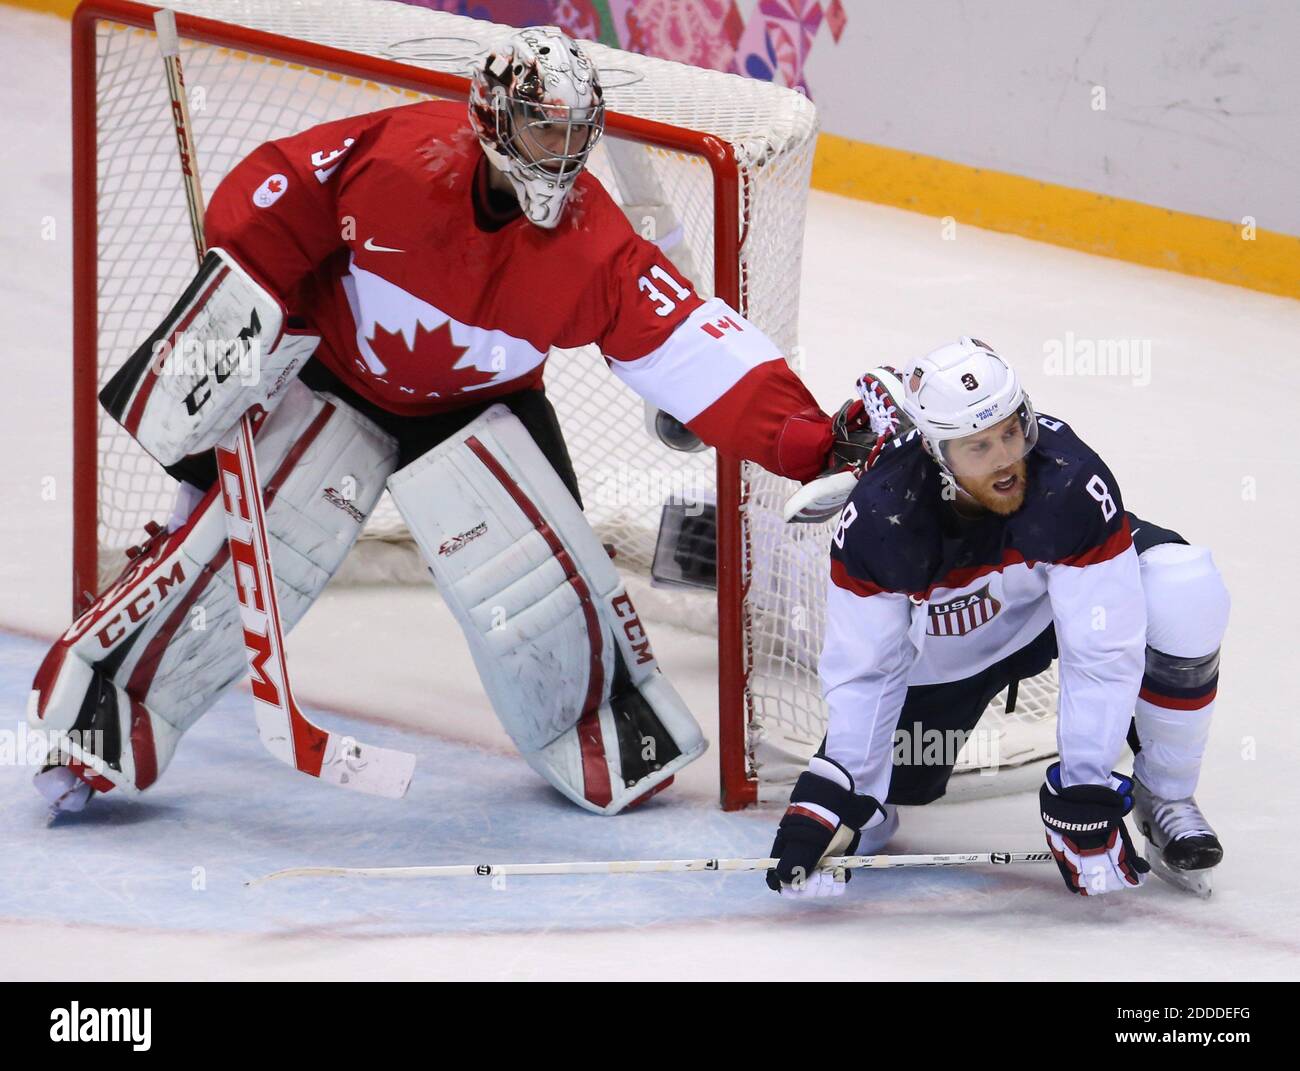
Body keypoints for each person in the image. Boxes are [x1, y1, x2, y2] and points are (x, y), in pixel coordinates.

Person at [30, 27, 848, 818]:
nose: (557, 149)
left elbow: (695, 349)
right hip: (335, 380)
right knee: (230, 557)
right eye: (539, 124)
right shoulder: (395, 159)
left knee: (547, 593)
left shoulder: (593, 244)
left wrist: (811, 439)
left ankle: (598, 726)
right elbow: (277, 192)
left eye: (573, 130)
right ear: (493, 116)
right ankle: (98, 722)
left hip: (481, 408)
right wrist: (248, 296)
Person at [766, 338, 1230, 897]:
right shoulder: (882, 519)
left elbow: (1102, 648)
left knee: (1184, 587)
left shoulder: (1068, 478)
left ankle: (1167, 799)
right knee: (861, 816)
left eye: (1011, 432)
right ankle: (867, 810)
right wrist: (838, 790)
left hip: (1051, 613)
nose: (1006, 459)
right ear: (937, 451)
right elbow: (867, 669)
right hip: (948, 656)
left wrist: (1084, 787)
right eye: (978, 446)